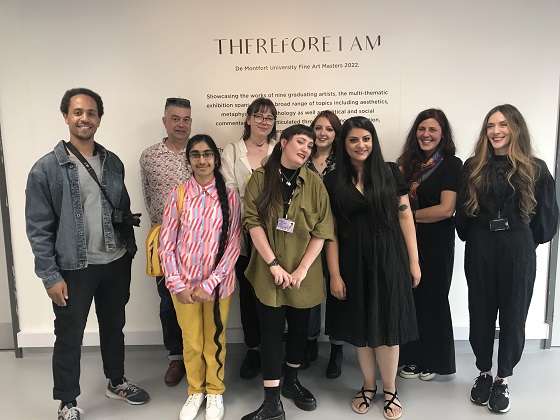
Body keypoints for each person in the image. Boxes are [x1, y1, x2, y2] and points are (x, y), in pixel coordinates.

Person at [25, 88, 150, 420]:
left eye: (91, 112)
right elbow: (38, 227)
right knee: (69, 335)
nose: (85, 118)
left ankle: (116, 381)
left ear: (99, 119)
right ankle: (67, 401)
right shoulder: (45, 169)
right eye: (78, 112)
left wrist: (128, 252)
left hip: (114, 262)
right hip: (74, 266)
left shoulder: (113, 162)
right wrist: (50, 276)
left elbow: (122, 210)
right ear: (66, 116)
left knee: (114, 325)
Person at [455, 104, 558, 414]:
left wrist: (523, 241)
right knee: (480, 311)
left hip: (518, 248)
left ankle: (503, 378)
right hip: (481, 246)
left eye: (502, 125)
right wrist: (475, 237)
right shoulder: (473, 166)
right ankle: (484, 372)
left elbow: (545, 222)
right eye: (490, 125)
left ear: (516, 129)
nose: (496, 131)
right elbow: (463, 215)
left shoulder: (536, 169)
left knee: (514, 314)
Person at [324, 116, 419, 420]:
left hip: (390, 258)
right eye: (353, 139)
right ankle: (368, 386)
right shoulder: (333, 180)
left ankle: (390, 390)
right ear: (344, 144)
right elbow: (331, 231)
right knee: (361, 326)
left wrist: (414, 261)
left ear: (373, 141)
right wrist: (335, 273)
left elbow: (405, 216)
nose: (360, 145)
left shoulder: (390, 172)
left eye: (366, 138)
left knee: (388, 327)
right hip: (352, 261)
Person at [241, 125, 334, 420]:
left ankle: (292, 382)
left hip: (303, 273)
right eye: (301, 142)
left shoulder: (315, 183)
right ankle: (272, 402)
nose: (306, 149)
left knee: (298, 330)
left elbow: (323, 229)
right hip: (268, 270)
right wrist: (273, 264)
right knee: (270, 333)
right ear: (283, 143)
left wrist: (302, 269)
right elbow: (252, 222)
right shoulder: (260, 178)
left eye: (310, 145)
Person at [159, 134, 241, 420]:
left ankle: (215, 390)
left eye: (207, 154)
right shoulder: (178, 195)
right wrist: (177, 284)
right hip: (184, 287)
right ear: (189, 160)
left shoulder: (230, 197)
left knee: (215, 340)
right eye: (195, 155)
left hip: (217, 287)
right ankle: (196, 390)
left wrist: (210, 283)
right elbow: (166, 244)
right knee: (191, 341)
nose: (202, 160)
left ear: (216, 159)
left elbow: (233, 245)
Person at [396, 109, 462, 381]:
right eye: (422, 129)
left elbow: (446, 209)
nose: (426, 134)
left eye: (433, 129)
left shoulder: (451, 164)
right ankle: (410, 358)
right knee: (409, 299)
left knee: (433, 300)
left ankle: (433, 360)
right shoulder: (405, 164)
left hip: (436, 243)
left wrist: (406, 217)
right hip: (405, 242)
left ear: (442, 134)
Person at [220, 97, 277, 380]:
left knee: (276, 292)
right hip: (244, 232)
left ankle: (274, 349)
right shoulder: (232, 150)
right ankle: (253, 349)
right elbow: (231, 193)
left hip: (277, 233)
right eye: (259, 116)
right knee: (250, 294)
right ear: (248, 119)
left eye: (269, 118)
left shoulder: (279, 149)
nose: (264, 122)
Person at [140, 97, 193, 386]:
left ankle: (199, 354)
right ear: (165, 121)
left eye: (186, 119)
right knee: (168, 302)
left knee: (197, 299)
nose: (181, 124)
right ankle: (177, 357)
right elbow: (149, 198)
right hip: (165, 242)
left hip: (199, 243)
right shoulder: (149, 157)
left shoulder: (201, 152)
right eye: (175, 118)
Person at [300, 110, 345, 379]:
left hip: (339, 234)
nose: (322, 133)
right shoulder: (302, 159)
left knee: (337, 288)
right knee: (311, 289)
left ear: (336, 133)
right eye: (318, 128)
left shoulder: (344, 161)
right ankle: (310, 341)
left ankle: (337, 347)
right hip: (308, 235)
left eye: (329, 129)